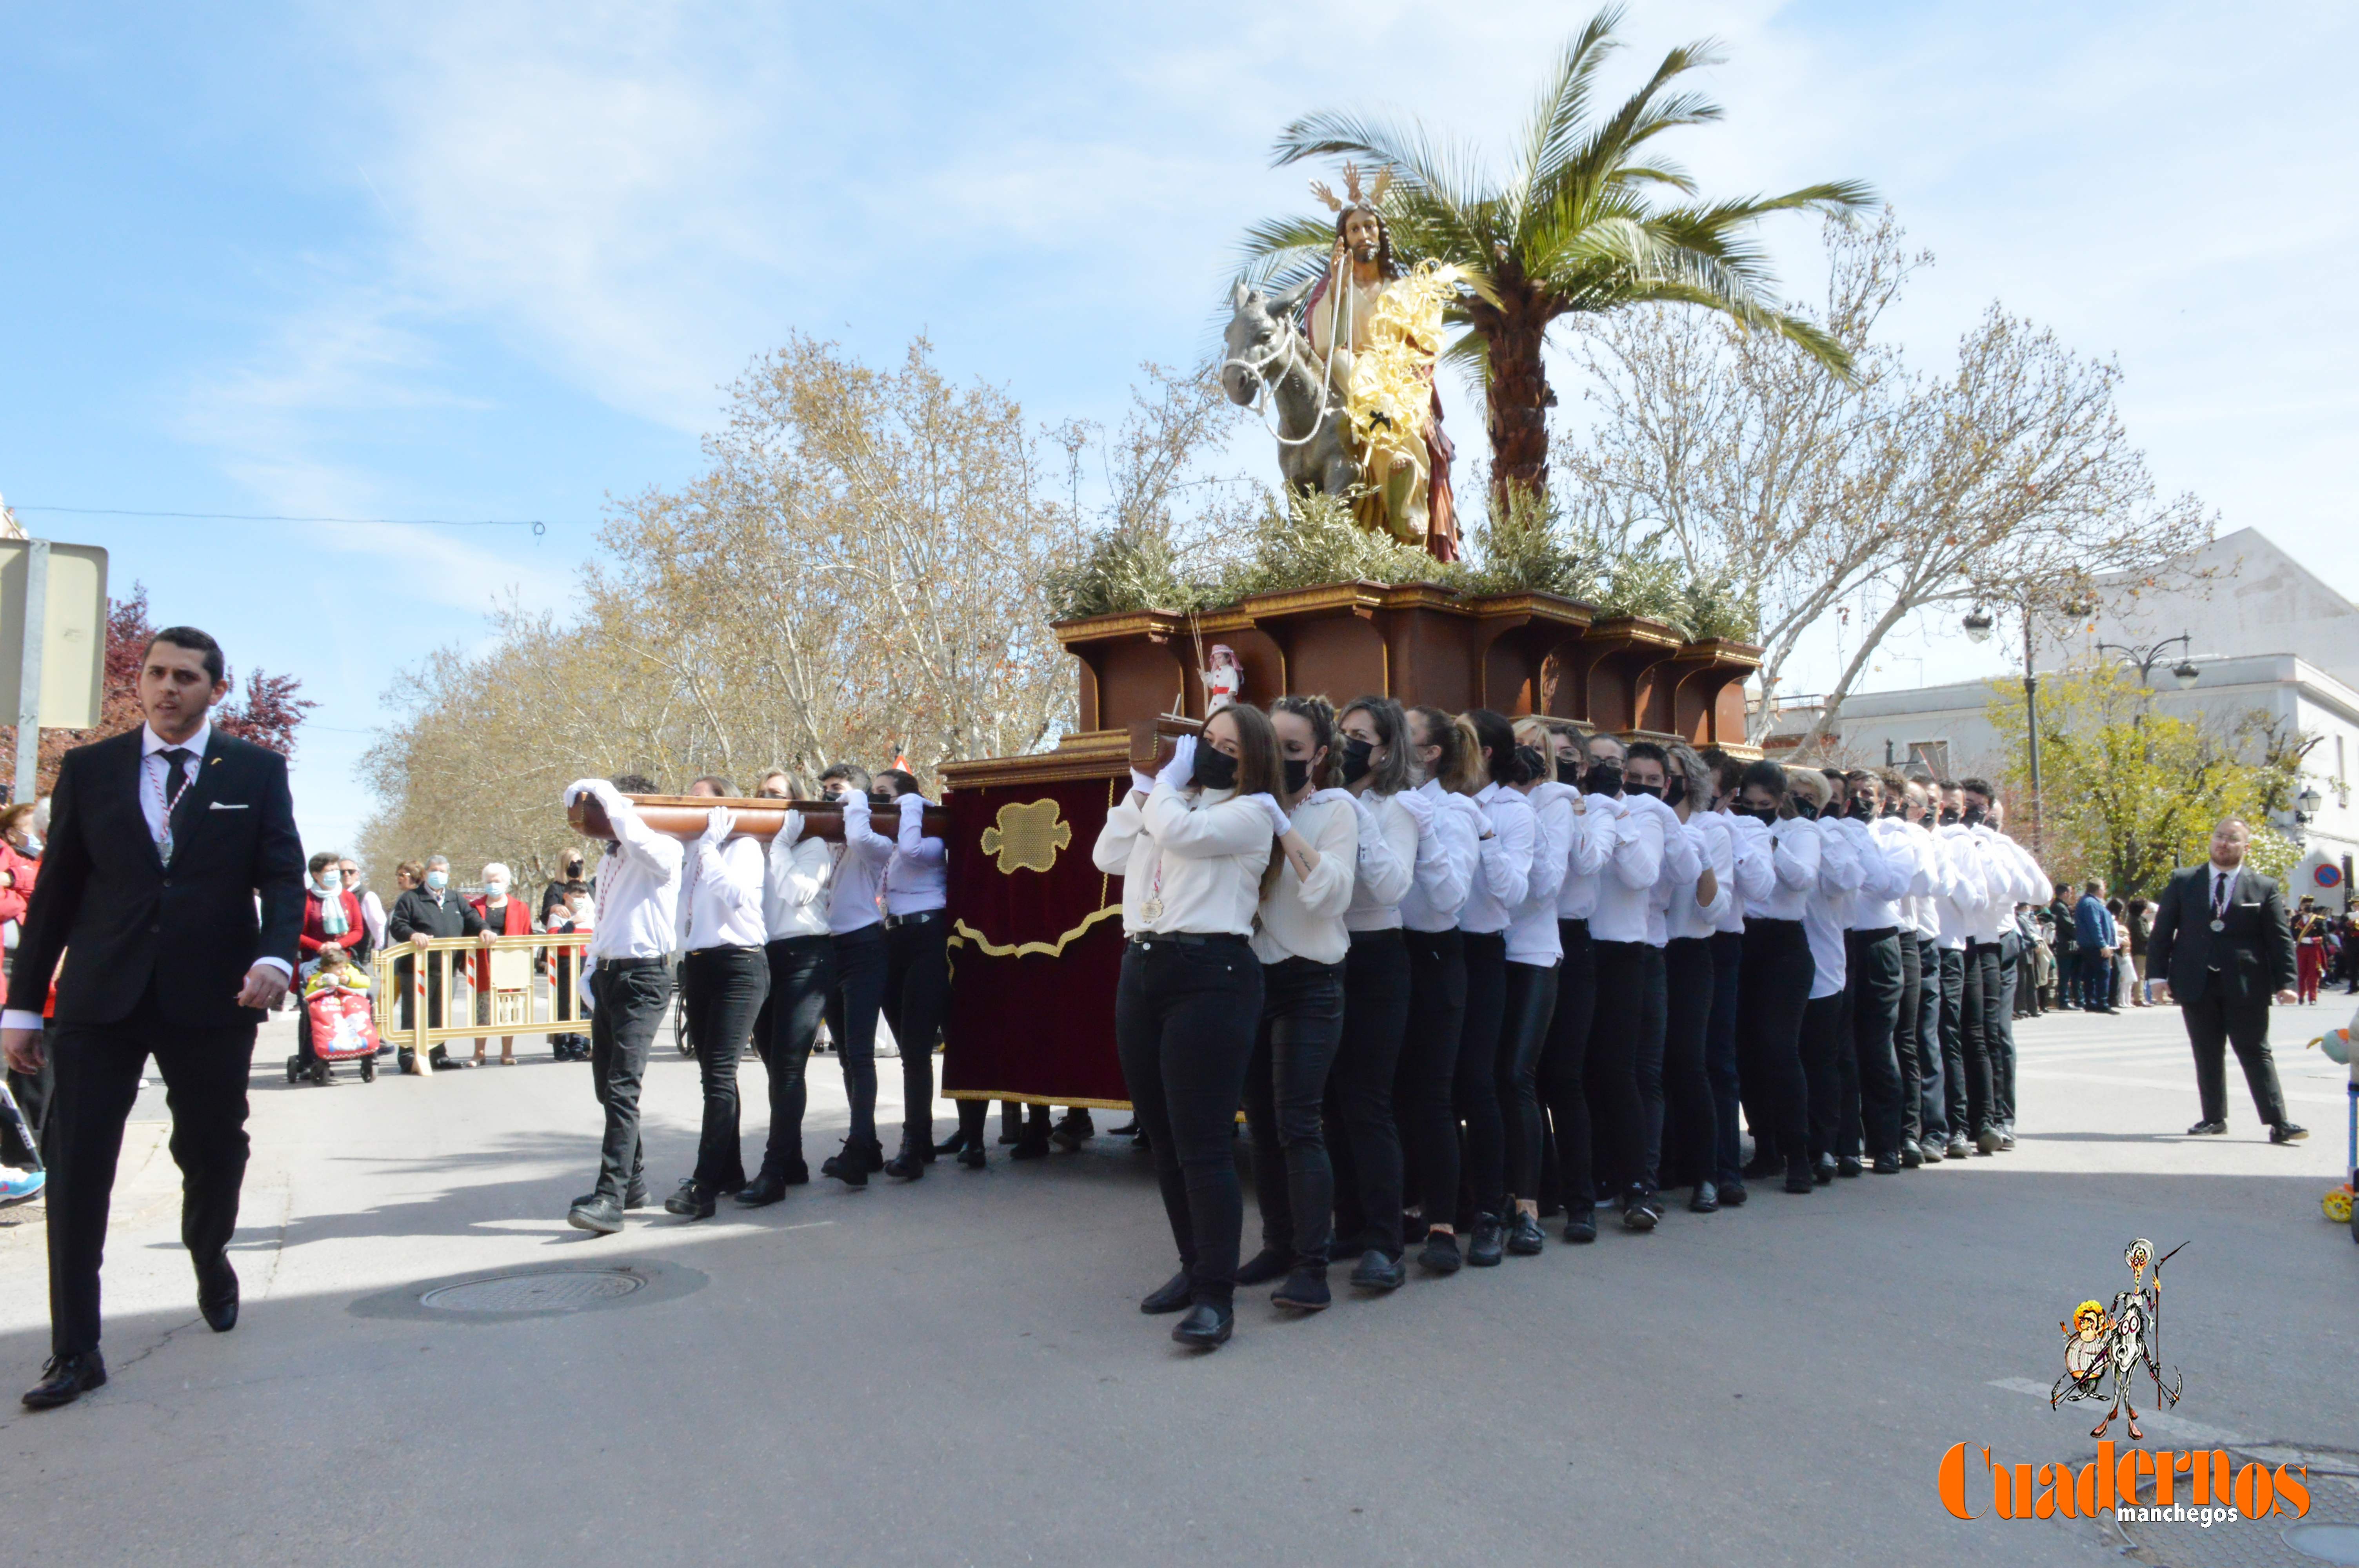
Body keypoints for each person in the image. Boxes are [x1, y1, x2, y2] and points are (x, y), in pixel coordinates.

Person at [4, 625, 303, 1410]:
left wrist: (275, 960)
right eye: (157, 673)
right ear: (141, 682)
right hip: (102, 999)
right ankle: (75, 1349)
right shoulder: (92, 769)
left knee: (211, 1148)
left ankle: (210, 1251)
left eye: (186, 676)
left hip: (213, 999)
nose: (168, 687)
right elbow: (56, 894)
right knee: (77, 1168)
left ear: (215, 689)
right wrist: (23, 1004)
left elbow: (282, 872)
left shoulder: (253, 770)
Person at [1117, 708, 1285, 1350]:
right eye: (1205, 743)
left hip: (1212, 973)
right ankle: (1194, 1268)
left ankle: (1217, 1296)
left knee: (1204, 1144)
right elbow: (1109, 854)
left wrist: (1162, 790)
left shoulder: (1253, 812)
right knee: (1162, 1136)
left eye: (1226, 747)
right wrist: (1147, 789)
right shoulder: (1173, 804)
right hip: (1144, 964)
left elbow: (1183, 838)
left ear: (1255, 760)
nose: (1211, 754)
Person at [1236, 697, 1359, 1310]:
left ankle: (1313, 1264)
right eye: (1272, 748)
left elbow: (1328, 895)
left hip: (1311, 981)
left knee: (1297, 1124)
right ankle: (1278, 1243)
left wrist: (1283, 824)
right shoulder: (1238, 808)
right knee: (1260, 1124)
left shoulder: (1337, 809)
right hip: (1248, 981)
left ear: (1318, 754)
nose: (1281, 760)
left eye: (1293, 750)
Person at [561, 773, 683, 1232]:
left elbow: (646, 847)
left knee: (622, 1088)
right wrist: (592, 968)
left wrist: (617, 805)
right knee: (605, 1087)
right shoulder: (609, 858)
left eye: (604, 809)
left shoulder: (663, 847)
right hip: (612, 975)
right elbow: (606, 916)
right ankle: (631, 1183)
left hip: (644, 976)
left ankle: (609, 1197)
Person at [1325, 697, 1419, 1290]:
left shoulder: (1397, 807)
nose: (1349, 742)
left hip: (1378, 956)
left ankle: (1386, 1241)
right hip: (1326, 953)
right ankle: (1351, 1223)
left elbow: (1391, 887)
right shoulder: (1320, 799)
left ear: (1385, 750)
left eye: (1362, 735)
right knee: (1331, 1099)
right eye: (1343, 732)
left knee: (1367, 1101)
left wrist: (1355, 816)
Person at [2148, 818, 2305, 1143]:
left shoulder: (2263, 887)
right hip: (2195, 980)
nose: (2223, 843)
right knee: (2206, 1051)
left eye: (2232, 839)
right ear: (2211, 841)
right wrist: (2157, 978)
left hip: (2247, 984)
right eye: (2219, 836)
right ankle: (2213, 1118)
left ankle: (2279, 1122)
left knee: (2255, 1050)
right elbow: (2163, 933)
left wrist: (2287, 983)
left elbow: (2279, 940)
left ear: (2246, 847)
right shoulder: (2184, 881)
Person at [659, 776, 768, 1217]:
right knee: (712, 1075)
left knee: (721, 1072)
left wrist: (708, 848)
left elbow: (738, 896)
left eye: (703, 801)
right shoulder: (691, 850)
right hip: (700, 964)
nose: (694, 807)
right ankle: (729, 1170)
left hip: (739, 964)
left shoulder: (739, 846)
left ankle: (703, 1183)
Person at [1450, 710, 1537, 1266]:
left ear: (1484, 754)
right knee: (1432, 1084)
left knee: (1480, 1082)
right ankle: (1438, 1205)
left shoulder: (1514, 811)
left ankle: (1490, 1211)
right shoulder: (1430, 797)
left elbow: (1514, 893)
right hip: (1429, 949)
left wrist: (1481, 833)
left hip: (1483, 950)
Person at [1394, 706, 1478, 1271]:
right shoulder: (1379, 801)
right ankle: (1396, 1210)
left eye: (1406, 736)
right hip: (1383, 956)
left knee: (1429, 1097)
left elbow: (1449, 900)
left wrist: (1422, 829)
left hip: (1432, 957)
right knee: (1384, 1095)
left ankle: (1445, 1224)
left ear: (1430, 754)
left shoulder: (1455, 811)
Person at [1494, 718, 1573, 1250]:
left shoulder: (1557, 804)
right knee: (1482, 1080)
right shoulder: (1483, 798)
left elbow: (1544, 887)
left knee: (1516, 1075)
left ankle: (1529, 1203)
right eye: (1514, 746)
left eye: (1533, 748)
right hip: (1487, 952)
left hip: (1533, 953)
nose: (1523, 755)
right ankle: (1488, 1192)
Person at [740, 769, 837, 1199]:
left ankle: (774, 1169)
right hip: (764, 958)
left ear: (795, 802)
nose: (766, 799)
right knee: (773, 1066)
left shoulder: (812, 846)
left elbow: (797, 893)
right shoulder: (752, 851)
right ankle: (793, 1159)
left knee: (788, 1066)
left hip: (806, 956)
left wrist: (780, 845)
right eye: (760, 793)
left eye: (776, 794)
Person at [1729, 760, 1818, 1194]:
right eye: (1748, 804)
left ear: (1780, 802)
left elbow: (1802, 878)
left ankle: (1797, 1150)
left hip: (1784, 945)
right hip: (1745, 940)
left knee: (1778, 1047)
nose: (1755, 811)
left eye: (1764, 805)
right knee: (1745, 1049)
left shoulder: (1799, 832)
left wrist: (1767, 838)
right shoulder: (1734, 825)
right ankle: (1764, 1145)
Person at [1651, 742, 1730, 1211]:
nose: (1663, 780)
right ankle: (1660, 1167)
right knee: (1648, 1068)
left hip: (1689, 952)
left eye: (1672, 772)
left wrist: (1698, 862)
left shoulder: (1710, 827)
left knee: (1688, 1063)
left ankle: (1707, 1173)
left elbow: (1713, 911)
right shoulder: (1640, 818)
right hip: (1646, 951)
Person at [814, 764, 894, 1185]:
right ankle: (867, 1144)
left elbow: (862, 839)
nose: (829, 798)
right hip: (831, 948)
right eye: (826, 791)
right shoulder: (826, 840)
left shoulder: (871, 839)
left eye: (837, 791)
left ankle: (859, 1148)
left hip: (864, 945)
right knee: (846, 1055)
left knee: (861, 1054)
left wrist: (857, 801)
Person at [870, 768, 950, 1180]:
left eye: (884, 794)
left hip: (928, 935)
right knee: (907, 1050)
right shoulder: (890, 839)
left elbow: (916, 853)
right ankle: (925, 1138)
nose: (876, 799)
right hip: (893, 937)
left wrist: (914, 805)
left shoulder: (929, 832)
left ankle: (913, 1144)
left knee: (917, 1048)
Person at [1836, 769, 1915, 1176]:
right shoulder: (1834, 830)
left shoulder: (1895, 838)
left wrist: (1860, 838)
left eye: (1868, 794)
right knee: (1842, 1048)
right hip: (1843, 941)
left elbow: (1888, 886)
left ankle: (1887, 1143)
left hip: (1881, 942)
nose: (1860, 799)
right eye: (1853, 793)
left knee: (1877, 1047)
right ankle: (1847, 1144)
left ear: (1883, 802)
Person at [388, 854, 485, 1072]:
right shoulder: (411, 899)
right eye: (434, 870)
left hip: (448, 968)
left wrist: (484, 929)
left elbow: (472, 918)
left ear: (448, 875)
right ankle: (409, 1054)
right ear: (425, 873)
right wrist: (413, 935)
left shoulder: (455, 898)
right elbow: (398, 925)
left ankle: (438, 1054)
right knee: (414, 1013)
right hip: (416, 970)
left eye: (442, 871)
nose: (438, 875)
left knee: (440, 1013)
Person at [293, 851, 371, 1079]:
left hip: (343, 960)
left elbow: (358, 930)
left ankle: (362, 1048)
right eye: (330, 871)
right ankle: (308, 1059)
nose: (336, 875)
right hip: (314, 961)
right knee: (312, 1008)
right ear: (316, 875)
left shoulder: (348, 897)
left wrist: (340, 945)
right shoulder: (305, 899)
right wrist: (320, 947)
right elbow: (296, 932)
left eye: (337, 870)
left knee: (360, 1001)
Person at [467, 861, 533, 1066]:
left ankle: (507, 1052)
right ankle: (479, 1053)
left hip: (510, 965)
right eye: (489, 882)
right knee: (483, 1010)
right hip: (483, 964)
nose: (492, 885)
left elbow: (527, 935)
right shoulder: (474, 907)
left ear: (506, 883)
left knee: (509, 1009)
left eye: (496, 881)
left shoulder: (520, 907)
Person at [2075, 880, 2120, 1014]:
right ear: (2099, 889)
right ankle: (2102, 1002)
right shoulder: (2091, 904)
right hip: (2094, 946)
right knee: (2103, 973)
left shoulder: (2090, 902)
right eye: (2104, 888)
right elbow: (2095, 925)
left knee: (2090, 974)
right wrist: (2103, 944)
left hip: (2091, 945)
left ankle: (2091, 1002)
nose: (2105, 891)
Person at [2292, 898, 2325, 1005]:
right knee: (2301, 973)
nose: (2308, 906)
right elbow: (2292, 934)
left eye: (2310, 904)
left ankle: (2313, 998)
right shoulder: (2295, 919)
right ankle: (2301, 996)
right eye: (2305, 904)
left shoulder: (2319, 920)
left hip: (2314, 949)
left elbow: (2324, 935)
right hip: (2301, 948)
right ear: (2301, 906)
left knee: (2313, 974)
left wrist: (2313, 940)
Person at [2125, 896, 2154, 1006]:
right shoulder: (2137, 920)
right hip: (2140, 951)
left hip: (2140, 950)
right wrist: (2153, 935)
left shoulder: (2136, 919)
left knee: (2140, 974)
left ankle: (2140, 997)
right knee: (2140, 975)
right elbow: (2143, 936)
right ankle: (2139, 998)